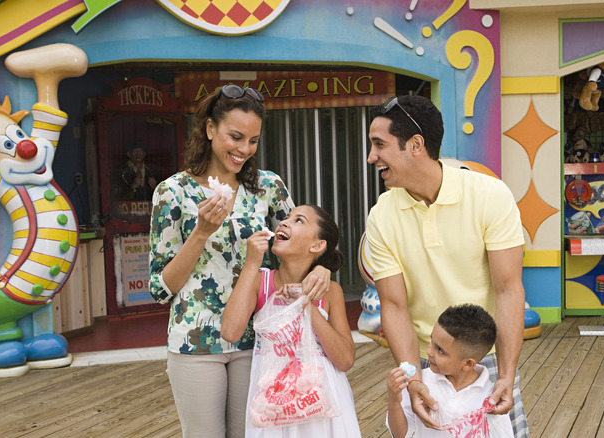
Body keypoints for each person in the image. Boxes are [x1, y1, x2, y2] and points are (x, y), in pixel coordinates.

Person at [149, 85, 331, 438]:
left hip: (261, 339)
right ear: (210, 129)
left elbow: (301, 244)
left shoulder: (269, 187)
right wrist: (201, 232)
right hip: (195, 341)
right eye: (236, 136)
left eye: (253, 140)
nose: (244, 149)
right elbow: (160, 287)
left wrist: (323, 266)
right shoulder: (173, 192)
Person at [365, 95, 529, 437]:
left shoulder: (491, 195)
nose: (371, 157)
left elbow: (509, 289)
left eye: (379, 145)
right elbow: (393, 307)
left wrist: (506, 375)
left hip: (483, 357)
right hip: (425, 362)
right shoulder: (381, 215)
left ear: (415, 145)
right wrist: (412, 377)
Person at [222, 204, 360, 437]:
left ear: (317, 245)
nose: (284, 222)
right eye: (286, 218)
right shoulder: (260, 282)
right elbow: (230, 331)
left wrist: (305, 304)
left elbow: (345, 360)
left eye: (299, 220)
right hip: (272, 406)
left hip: (321, 403)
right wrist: (251, 264)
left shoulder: (330, 292)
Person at [386, 304, 513, 437]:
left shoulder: (491, 399)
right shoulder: (419, 385)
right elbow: (400, 434)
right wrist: (394, 400)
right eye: (431, 341)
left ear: (468, 363)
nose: (429, 351)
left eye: (440, 350)